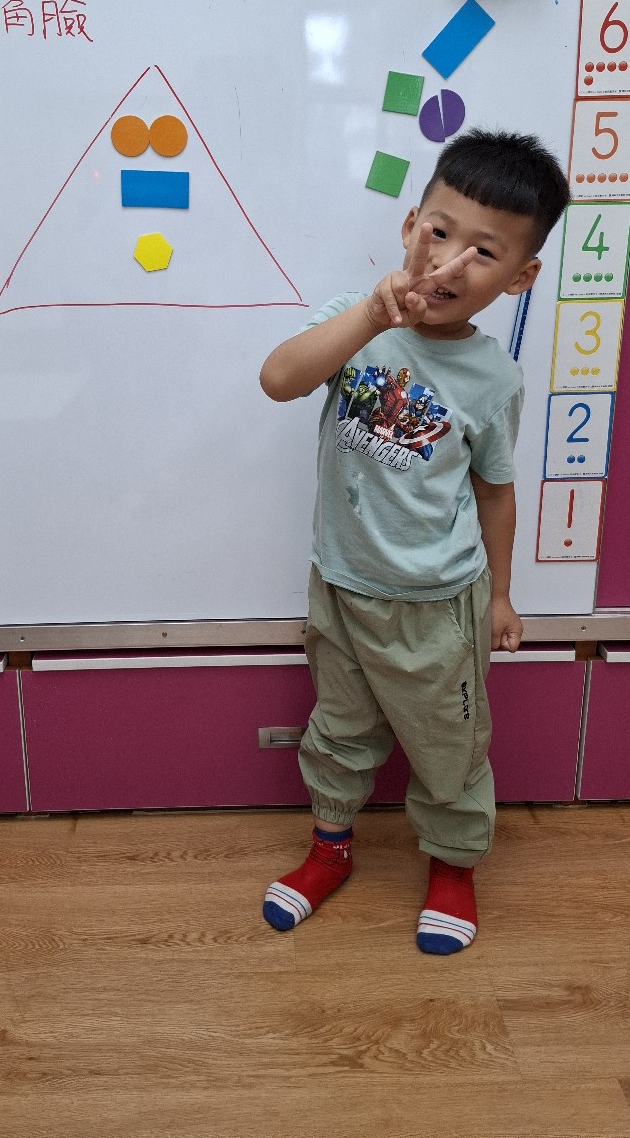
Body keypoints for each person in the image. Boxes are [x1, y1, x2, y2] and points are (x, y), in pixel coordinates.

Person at [259, 129, 570, 954]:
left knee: (447, 750)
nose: (450, 262)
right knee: (338, 729)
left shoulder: (492, 378)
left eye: (484, 251)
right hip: (341, 585)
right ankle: (329, 849)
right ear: (408, 226)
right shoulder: (354, 324)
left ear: (519, 277)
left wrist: (501, 596)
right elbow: (278, 380)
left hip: (438, 604)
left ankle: (453, 867)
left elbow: (494, 492)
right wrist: (368, 315)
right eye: (439, 231)